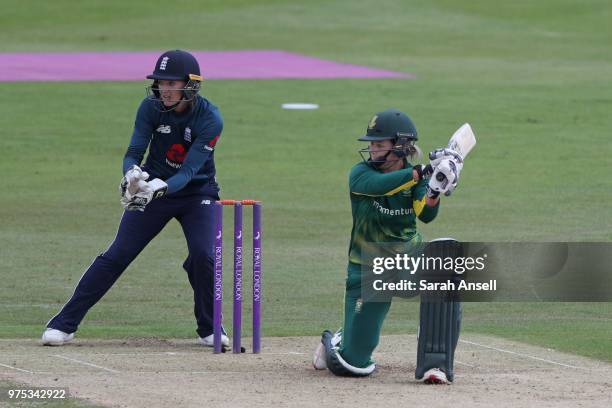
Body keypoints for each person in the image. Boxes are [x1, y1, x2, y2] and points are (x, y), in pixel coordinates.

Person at [42, 49, 229, 349]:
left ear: (191, 85)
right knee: (118, 254)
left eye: (171, 84)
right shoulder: (150, 107)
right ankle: (63, 324)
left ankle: (209, 326)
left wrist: (161, 187)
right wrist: (132, 174)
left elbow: (191, 170)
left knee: (204, 256)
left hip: (197, 193)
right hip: (151, 189)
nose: (164, 90)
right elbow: (134, 151)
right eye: (160, 83)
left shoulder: (210, 118)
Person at [312, 108, 463, 383]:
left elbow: (425, 214)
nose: (372, 150)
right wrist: (423, 172)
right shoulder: (360, 174)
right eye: (371, 144)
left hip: (408, 257)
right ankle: (337, 338)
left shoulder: (414, 177)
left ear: (401, 147)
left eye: (379, 145)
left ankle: (436, 364)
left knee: (445, 270)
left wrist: (435, 189)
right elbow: (380, 186)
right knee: (353, 365)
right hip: (367, 269)